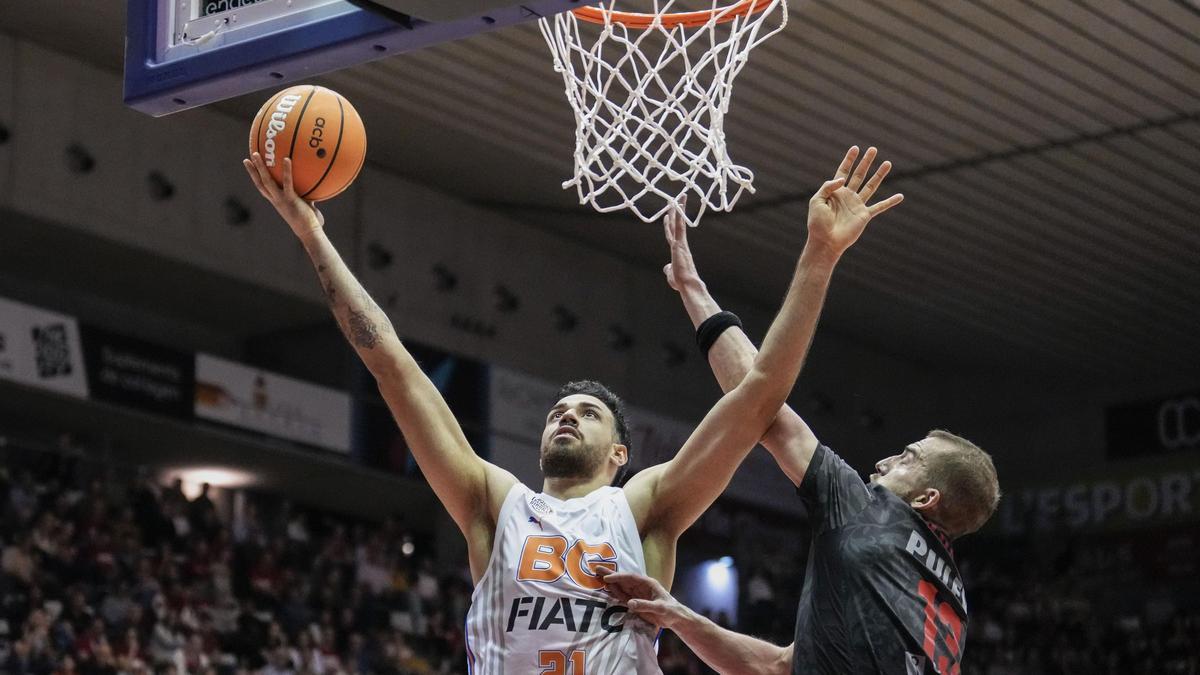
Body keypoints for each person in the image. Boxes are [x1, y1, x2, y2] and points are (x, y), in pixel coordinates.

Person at [242, 144, 902, 673]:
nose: (567, 415)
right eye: (562, 409)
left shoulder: (644, 507)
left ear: (621, 453)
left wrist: (818, 256)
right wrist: (311, 235)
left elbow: (759, 398)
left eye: (589, 412)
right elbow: (390, 363)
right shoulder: (492, 503)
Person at [602, 148, 1001, 675]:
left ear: (927, 498)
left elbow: (759, 400)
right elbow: (781, 668)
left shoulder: (872, 515)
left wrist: (815, 253)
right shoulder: (951, 602)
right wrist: (680, 618)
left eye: (907, 457)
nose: (882, 463)